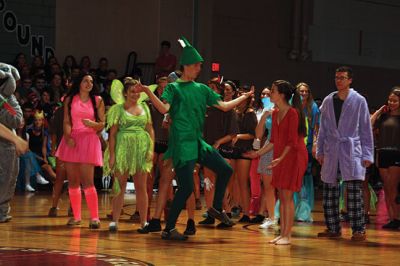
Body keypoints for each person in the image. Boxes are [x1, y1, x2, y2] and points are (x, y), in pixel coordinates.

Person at [137, 37, 253, 240]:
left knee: (225, 169)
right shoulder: (174, 88)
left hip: (197, 142)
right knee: (187, 187)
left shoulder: (202, 89)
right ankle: (168, 228)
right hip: (182, 144)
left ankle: (216, 207)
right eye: (198, 66)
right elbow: (164, 108)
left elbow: (225, 106)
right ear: (187, 66)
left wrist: (244, 97)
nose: (200, 69)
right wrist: (148, 91)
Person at [245, 80, 307, 245]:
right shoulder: (274, 113)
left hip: (293, 155)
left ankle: (287, 235)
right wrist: (257, 153)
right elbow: (272, 141)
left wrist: (281, 158)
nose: (269, 94)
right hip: (281, 155)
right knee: (282, 194)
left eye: (272, 91)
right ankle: (282, 234)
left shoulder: (292, 113)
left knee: (287, 195)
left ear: (282, 95)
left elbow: (293, 141)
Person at [316, 66, 374, 241]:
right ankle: (333, 227)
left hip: (351, 149)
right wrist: (320, 150)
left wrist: (367, 154)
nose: (338, 80)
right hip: (332, 149)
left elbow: (365, 128)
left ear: (350, 80)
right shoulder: (327, 100)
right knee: (329, 191)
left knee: (354, 192)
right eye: (336, 77)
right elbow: (323, 129)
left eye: (342, 77)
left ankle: (358, 230)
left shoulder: (359, 100)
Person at [103, 77, 154, 233]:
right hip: (123, 150)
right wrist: (112, 155)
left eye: (137, 91)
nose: (135, 94)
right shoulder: (118, 109)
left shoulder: (145, 108)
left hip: (141, 149)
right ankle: (115, 221)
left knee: (141, 187)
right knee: (119, 186)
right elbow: (112, 135)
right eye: (132, 91)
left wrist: (150, 149)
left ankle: (144, 222)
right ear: (125, 93)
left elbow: (150, 130)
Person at [55, 73, 105, 228]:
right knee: (73, 181)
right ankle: (76, 217)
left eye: (91, 81)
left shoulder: (98, 100)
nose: (89, 83)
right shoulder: (69, 99)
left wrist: (93, 124)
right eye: (85, 81)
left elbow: (103, 124)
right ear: (79, 83)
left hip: (89, 140)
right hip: (72, 140)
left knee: (88, 181)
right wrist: (68, 137)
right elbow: (66, 121)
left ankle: (94, 218)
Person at [370, 87, 400, 229]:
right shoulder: (383, 117)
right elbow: (368, 125)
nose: (392, 103)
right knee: (386, 188)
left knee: (392, 187)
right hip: (382, 153)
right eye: (390, 100)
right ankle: (392, 218)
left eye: (395, 100)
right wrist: (378, 112)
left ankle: (397, 218)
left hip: (396, 154)